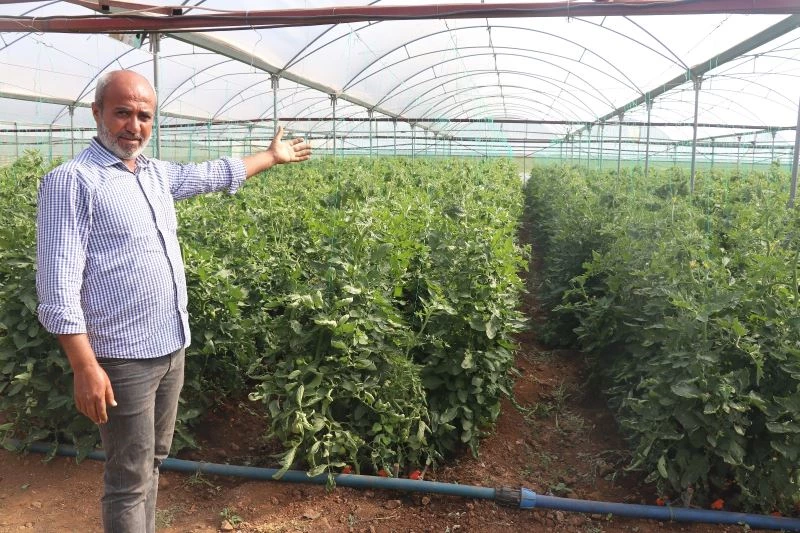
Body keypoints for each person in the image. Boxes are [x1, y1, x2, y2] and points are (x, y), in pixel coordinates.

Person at [35, 69, 311, 533]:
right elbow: (57, 284)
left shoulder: (154, 174)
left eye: (144, 116)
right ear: (97, 112)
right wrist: (84, 366)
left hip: (169, 346)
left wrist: (270, 156)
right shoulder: (73, 181)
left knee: (153, 461)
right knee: (128, 476)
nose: (134, 126)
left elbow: (211, 175)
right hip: (122, 356)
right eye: (122, 113)